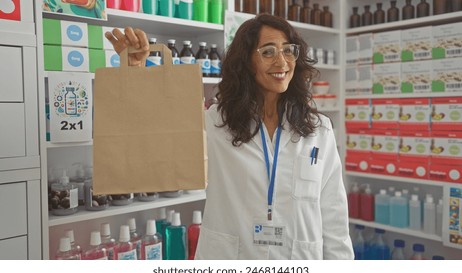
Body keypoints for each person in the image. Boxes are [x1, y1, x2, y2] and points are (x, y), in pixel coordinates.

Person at [105, 13, 354, 260]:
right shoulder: (216, 123)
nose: (281, 62)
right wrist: (136, 70)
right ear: (247, 62)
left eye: (288, 50)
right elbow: (152, 138)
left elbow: (333, 214)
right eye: (268, 52)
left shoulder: (318, 129)